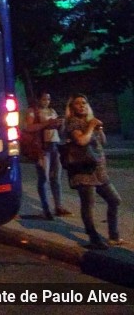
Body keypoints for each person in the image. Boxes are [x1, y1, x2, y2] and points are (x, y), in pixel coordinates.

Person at [64, 93, 123, 250]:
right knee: (88, 205)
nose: (82, 105)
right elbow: (81, 141)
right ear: (71, 107)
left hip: (98, 171)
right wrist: (90, 127)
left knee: (114, 200)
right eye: (78, 103)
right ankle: (94, 238)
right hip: (83, 170)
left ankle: (114, 235)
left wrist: (99, 128)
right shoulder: (72, 123)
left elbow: (102, 142)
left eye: (84, 102)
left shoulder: (88, 121)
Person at [25, 91, 72, 220]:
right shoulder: (32, 111)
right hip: (42, 147)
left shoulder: (52, 111)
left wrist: (59, 124)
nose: (47, 102)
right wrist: (47, 123)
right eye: (44, 99)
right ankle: (46, 209)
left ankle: (59, 206)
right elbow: (29, 128)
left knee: (56, 177)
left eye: (48, 99)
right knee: (43, 177)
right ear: (38, 99)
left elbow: (60, 131)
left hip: (54, 145)